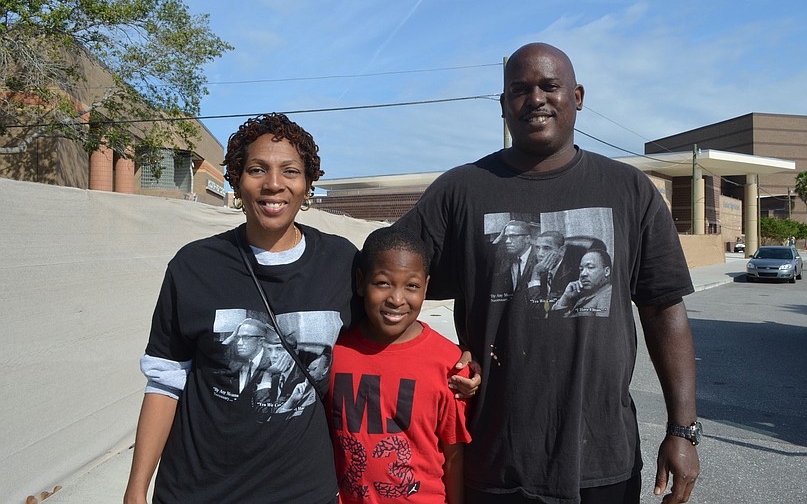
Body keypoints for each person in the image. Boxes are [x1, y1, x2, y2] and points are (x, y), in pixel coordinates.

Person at [395, 43, 700, 503]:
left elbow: (663, 310)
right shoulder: (461, 191)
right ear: (504, 104)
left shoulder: (628, 189)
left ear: (577, 97)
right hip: (493, 459)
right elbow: (388, 279)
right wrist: (440, 359)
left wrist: (683, 430)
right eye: (520, 89)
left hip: (602, 459)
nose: (535, 98)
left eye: (549, 86)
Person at [124, 113, 364, 503]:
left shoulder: (341, 263)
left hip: (303, 490)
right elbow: (165, 382)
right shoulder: (194, 266)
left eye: (290, 171)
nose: (274, 184)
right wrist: (136, 488)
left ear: (308, 185)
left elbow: (388, 344)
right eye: (257, 169)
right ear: (236, 181)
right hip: (199, 490)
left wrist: (456, 363)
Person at [327, 227, 471, 503]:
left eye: (412, 286)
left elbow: (454, 457)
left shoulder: (450, 364)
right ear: (361, 282)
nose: (396, 299)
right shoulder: (334, 353)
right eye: (383, 283)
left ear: (426, 287)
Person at [552, 248, 613, 317]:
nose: (583, 274)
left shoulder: (607, 297)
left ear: (607, 271)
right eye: (581, 269)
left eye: (590, 267)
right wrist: (565, 297)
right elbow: (553, 319)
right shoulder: (586, 294)